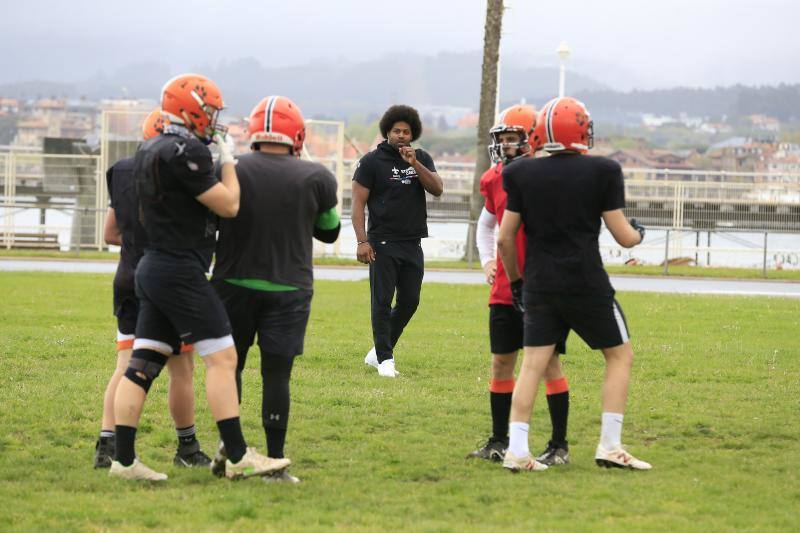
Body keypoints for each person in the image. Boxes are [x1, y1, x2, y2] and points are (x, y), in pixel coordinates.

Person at [109, 73, 290, 481]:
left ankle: (123, 461)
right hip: (178, 268)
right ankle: (240, 456)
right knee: (223, 358)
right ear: (191, 106)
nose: (212, 118)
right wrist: (226, 161)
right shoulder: (181, 149)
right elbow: (228, 205)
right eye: (208, 110)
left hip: (150, 265)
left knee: (142, 364)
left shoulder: (148, 147)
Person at [497, 97, 651, 472]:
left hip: (539, 283)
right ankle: (610, 444)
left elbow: (504, 239)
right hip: (586, 282)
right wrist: (639, 234)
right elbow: (624, 237)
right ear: (581, 130)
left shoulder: (520, 173)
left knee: (532, 364)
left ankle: (517, 449)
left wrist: (517, 281)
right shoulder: (603, 170)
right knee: (619, 356)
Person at [211, 95, 340, 483]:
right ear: (296, 135)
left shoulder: (231, 169)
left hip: (231, 281)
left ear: (253, 132)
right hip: (289, 285)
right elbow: (330, 231)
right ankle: (275, 460)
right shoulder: (317, 177)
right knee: (276, 374)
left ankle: (228, 445)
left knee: (229, 367)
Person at [94, 108, 210, 469]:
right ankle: (187, 448)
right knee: (181, 367)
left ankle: (107, 446)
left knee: (126, 364)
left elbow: (110, 233)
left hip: (130, 275)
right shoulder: (182, 167)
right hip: (170, 276)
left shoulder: (125, 169)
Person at [467, 104, 570, 466]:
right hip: (505, 289)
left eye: (513, 139)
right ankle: (499, 439)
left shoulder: (550, 177)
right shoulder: (495, 178)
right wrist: (487, 260)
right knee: (501, 363)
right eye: (504, 139)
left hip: (542, 286)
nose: (506, 146)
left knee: (549, 365)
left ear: (531, 140)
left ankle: (559, 444)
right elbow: (486, 226)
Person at [351, 105, 443, 378]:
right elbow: (357, 204)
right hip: (382, 243)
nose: (402, 136)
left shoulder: (421, 157)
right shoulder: (371, 162)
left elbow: (437, 189)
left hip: (412, 242)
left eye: (406, 132)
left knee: (410, 301)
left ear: (412, 134)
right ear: (387, 132)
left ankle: (378, 350)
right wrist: (361, 241)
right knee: (381, 301)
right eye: (396, 131)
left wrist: (414, 163)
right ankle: (386, 360)